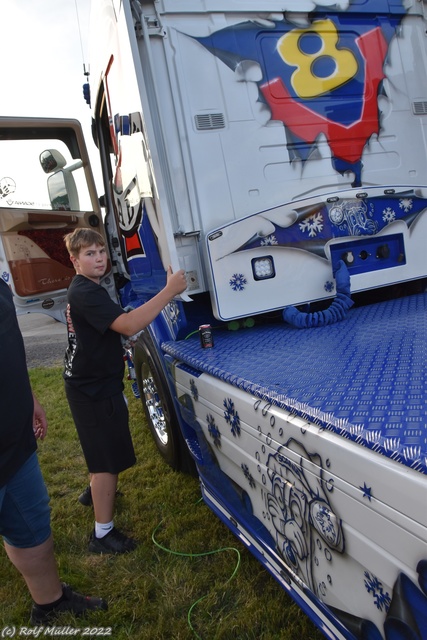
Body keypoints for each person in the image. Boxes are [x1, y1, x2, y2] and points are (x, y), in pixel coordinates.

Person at [63, 228, 187, 555]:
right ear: (74, 260)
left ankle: (94, 492)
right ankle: (102, 534)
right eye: (90, 254)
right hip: (92, 389)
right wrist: (169, 291)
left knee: (99, 447)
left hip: (89, 384)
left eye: (102, 251)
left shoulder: (86, 288)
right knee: (107, 459)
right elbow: (130, 325)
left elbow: (107, 332)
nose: (99, 258)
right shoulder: (86, 292)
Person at [0, 276, 107, 624]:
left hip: (13, 439)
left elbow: (8, 346)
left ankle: (49, 602)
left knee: (30, 527)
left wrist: (27, 397)